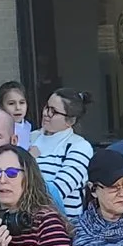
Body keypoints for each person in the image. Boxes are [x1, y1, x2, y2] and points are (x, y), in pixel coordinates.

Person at [34, 88, 95, 218]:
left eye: (53, 111)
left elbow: (57, 192)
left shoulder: (79, 147)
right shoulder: (30, 138)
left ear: (70, 121)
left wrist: (29, 161)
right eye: (46, 107)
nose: (46, 113)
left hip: (63, 225)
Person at [0, 80, 38, 152]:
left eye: (22, 102)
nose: (18, 108)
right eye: (11, 103)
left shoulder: (28, 126)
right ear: (1, 106)